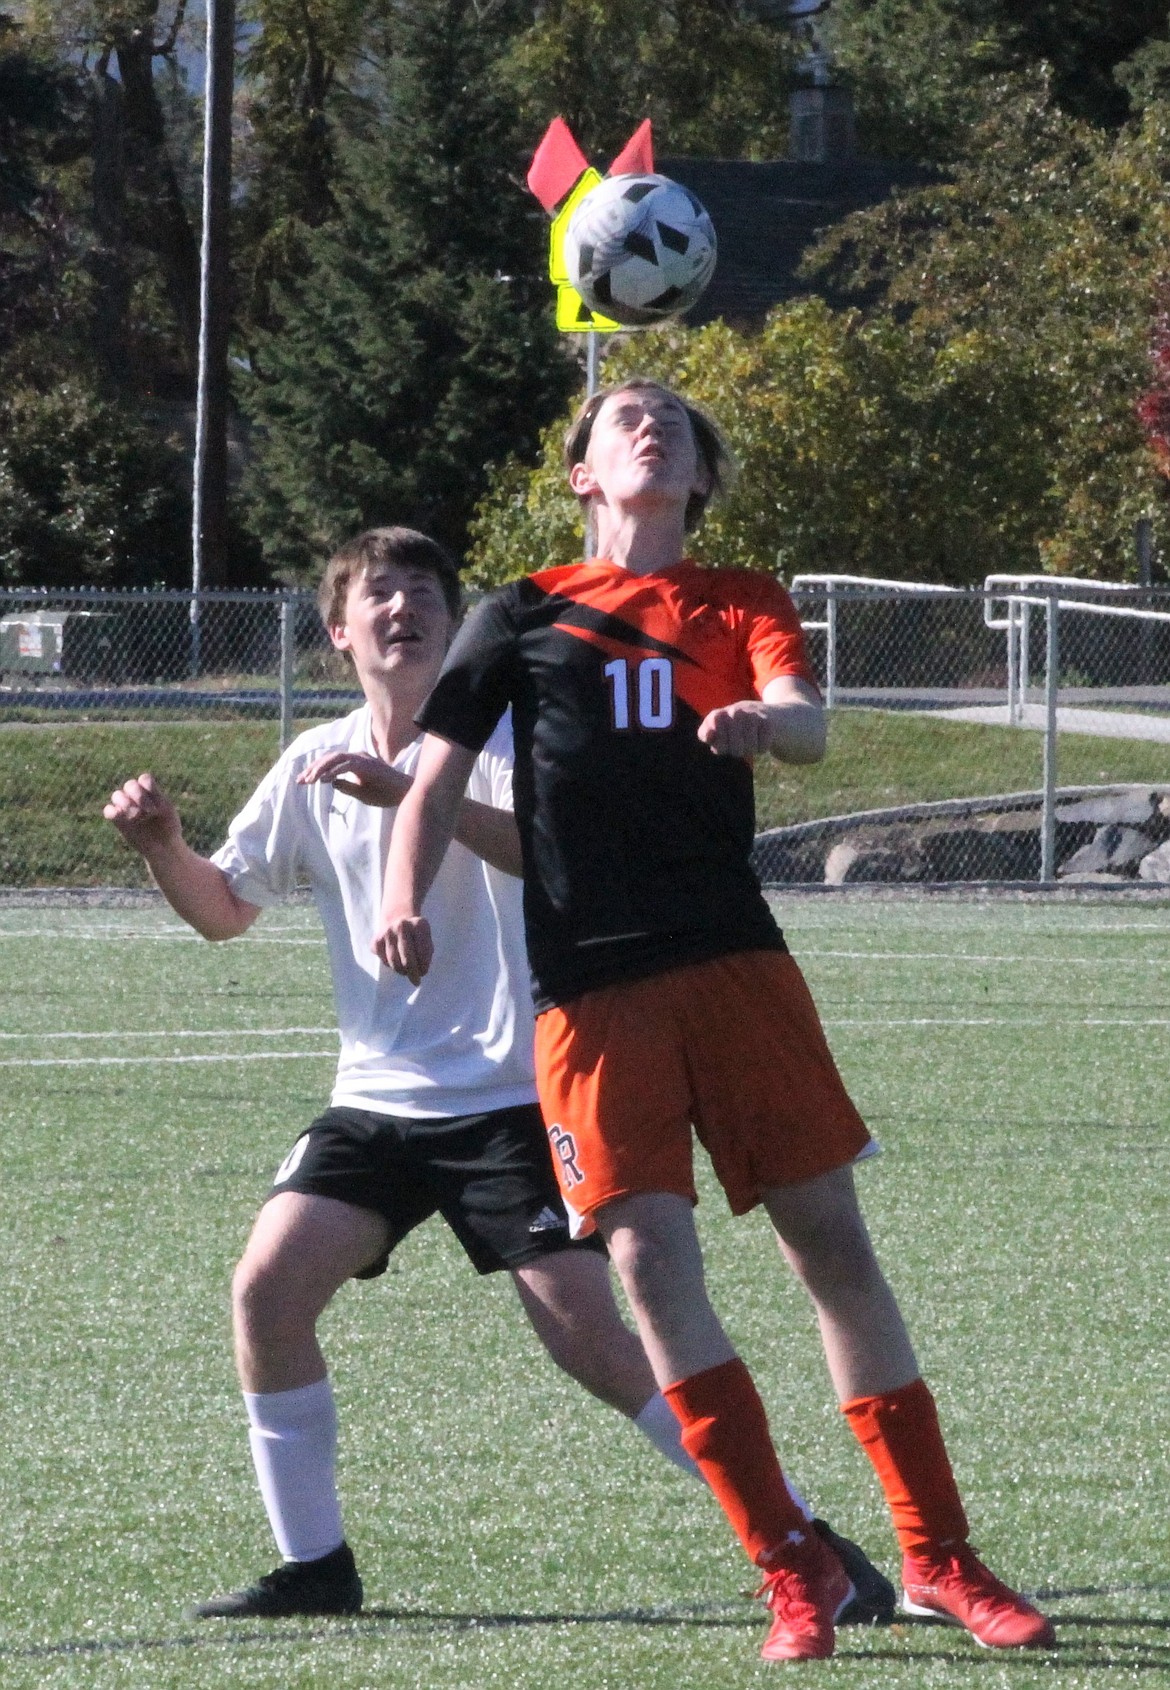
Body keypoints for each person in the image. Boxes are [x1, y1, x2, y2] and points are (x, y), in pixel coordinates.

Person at [375, 387, 1057, 1663]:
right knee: (644, 1269)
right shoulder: (517, 612)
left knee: (831, 1252)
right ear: (581, 474)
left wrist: (766, 725)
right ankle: (790, 1563)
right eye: (624, 419)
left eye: (672, 425)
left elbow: (806, 719)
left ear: (698, 478)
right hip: (590, 991)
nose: (652, 430)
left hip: (736, 964)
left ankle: (937, 1557)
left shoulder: (742, 598)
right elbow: (436, 776)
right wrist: (402, 894)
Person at [103, 524, 892, 1623]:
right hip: (377, 1102)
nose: (403, 607)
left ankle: (808, 1541)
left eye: (424, 589)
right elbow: (225, 913)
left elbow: (559, 851)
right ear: (339, 631)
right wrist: (162, 850)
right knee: (266, 1291)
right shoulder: (309, 762)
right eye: (377, 593)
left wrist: (413, 799)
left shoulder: (522, 732)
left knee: (595, 1344)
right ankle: (316, 1565)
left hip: (520, 1093)